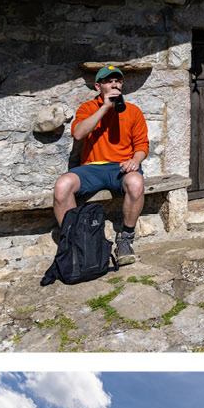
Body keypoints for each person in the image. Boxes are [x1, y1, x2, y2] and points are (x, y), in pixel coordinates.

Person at [53, 65, 150, 266]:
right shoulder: (87, 108)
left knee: (136, 183)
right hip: (92, 167)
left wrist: (135, 160)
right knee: (63, 185)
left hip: (121, 167)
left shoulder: (133, 111)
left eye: (118, 80)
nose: (115, 84)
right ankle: (77, 244)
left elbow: (142, 145)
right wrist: (105, 107)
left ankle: (125, 240)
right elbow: (78, 133)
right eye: (108, 81)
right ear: (98, 86)